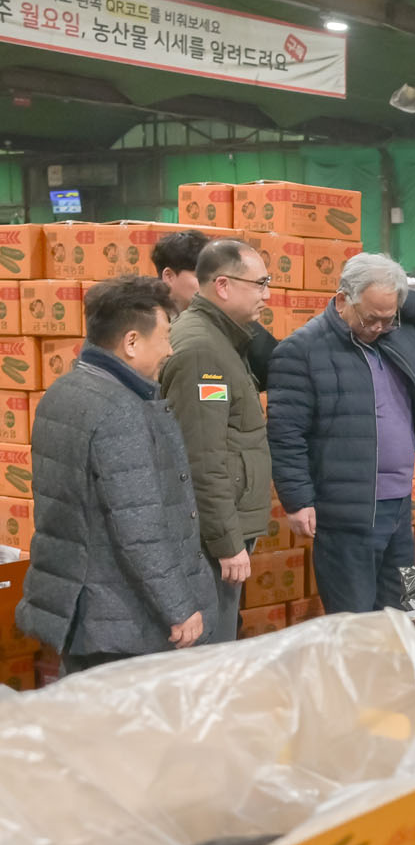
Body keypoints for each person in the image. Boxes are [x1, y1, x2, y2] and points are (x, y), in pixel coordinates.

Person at [18, 276, 214, 671]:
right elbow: (139, 527)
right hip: (122, 620)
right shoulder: (121, 411)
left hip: (79, 606)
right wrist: (179, 606)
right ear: (131, 342)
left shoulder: (63, 391)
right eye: (164, 337)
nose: (170, 349)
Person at [267, 254, 415, 613]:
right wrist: (297, 500)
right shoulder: (301, 350)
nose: (378, 327)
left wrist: (392, 290)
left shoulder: (396, 338)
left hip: (398, 503)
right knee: (354, 618)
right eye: (370, 318)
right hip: (345, 510)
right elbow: (286, 434)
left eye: (389, 318)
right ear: (342, 300)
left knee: (396, 612)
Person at [158, 240, 273, 641]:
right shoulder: (202, 350)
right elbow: (201, 457)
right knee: (212, 648)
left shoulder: (223, 339)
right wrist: (226, 542)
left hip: (220, 527)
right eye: (260, 284)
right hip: (211, 537)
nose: (266, 295)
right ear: (223, 285)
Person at [152, 228, 279, 388]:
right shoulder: (147, 322)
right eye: (200, 276)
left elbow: (273, 367)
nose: (209, 283)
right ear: (169, 276)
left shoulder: (235, 323)